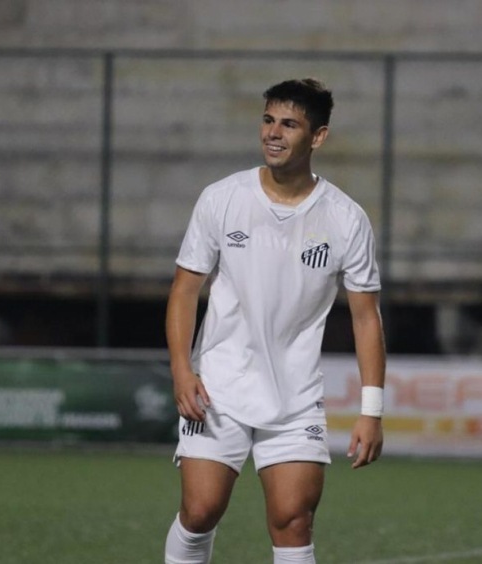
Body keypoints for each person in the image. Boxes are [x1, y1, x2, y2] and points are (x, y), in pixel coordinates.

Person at [164, 77, 386, 564]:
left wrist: (371, 411)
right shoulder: (222, 198)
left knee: (293, 520)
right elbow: (185, 289)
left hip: (294, 397)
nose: (274, 133)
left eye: (289, 124)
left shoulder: (346, 220)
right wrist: (182, 369)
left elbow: (367, 320)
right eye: (268, 120)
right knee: (200, 510)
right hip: (218, 386)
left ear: (318, 137)